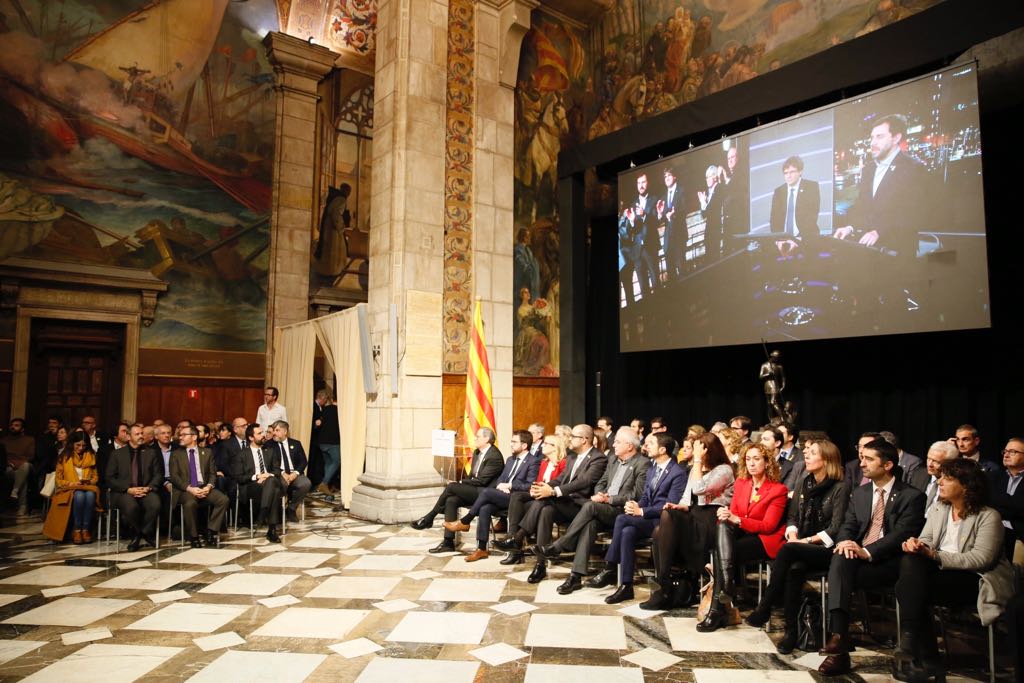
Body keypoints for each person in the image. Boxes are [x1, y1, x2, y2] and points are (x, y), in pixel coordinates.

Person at [894, 458, 1015, 682]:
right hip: (941, 572)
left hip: (977, 579)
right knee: (911, 565)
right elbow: (926, 539)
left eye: (947, 478)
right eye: (940, 477)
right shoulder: (940, 508)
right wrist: (916, 545)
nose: (939, 482)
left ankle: (924, 654)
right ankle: (917, 646)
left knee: (908, 588)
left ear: (966, 485)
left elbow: (981, 559)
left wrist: (934, 555)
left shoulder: (989, 516)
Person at [818, 438, 925, 676]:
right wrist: (846, 541)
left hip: (891, 563)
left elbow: (902, 534)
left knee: (841, 569)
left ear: (887, 465)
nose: (862, 463)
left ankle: (839, 650)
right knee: (840, 556)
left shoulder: (912, 496)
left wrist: (867, 551)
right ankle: (839, 637)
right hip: (858, 557)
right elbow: (849, 524)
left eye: (868, 459)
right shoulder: (861, 492)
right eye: (861, 457)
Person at [745, 440, 851, 653]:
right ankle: (791, 631)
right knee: (794, 569)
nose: (806, 457)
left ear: (827, 459)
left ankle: (766, 606)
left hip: (827, 549)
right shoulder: (804, 481)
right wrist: (793, 533)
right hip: (799, 546)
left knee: (788, 550)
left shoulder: (841, 487)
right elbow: (792, 517)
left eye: (812, 453)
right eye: (807, 453)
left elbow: (836, 527)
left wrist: (805, 541)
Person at [536, 427, 652, 593]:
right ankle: (575, 577)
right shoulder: (612, 459)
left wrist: (609, 499)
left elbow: (637, 495)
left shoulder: (642, 463)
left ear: (629, 446)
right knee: (589, 524)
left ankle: (559, 545)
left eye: (618, 442)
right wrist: (600, 493)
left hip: (621, 510)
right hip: (602, 506)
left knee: (589, 506)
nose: (614, 445)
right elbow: (601, 482)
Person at [698, 442, 789, 631]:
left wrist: (737, 519)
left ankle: (718, 607)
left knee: (721, 551)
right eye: (748, 459)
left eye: (756, 459)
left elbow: (768, 526)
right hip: (741, 532)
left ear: (767, 462)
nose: (751, 463)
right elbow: (734, 512)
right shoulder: (741, 483)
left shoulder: (777, 490)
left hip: (764, 539)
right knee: (722, 525)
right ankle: (726, 588)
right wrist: (727, 515)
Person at [588, 432, 686, 603]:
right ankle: (626, 586)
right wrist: (636, 505)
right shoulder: (654, 467)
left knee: (621, 519)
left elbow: (670, 505)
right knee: (626, 532)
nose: (646, 446)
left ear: (663, 449)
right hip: (647, 517)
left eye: (651, 443)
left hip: (663, 521)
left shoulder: (678, 472)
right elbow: (647, 497)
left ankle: (610, 566)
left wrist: (641, 512)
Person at [640, 432, 735, 610]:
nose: (694, 452)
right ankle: (664, 584)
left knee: (665, 524)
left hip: (713, 518)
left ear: (708, 450)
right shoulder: (695, 469)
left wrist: (697, 460)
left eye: (699, 448)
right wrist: (679, 506)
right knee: (664, 520)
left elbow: (699, 489)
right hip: (694, 514)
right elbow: (686, 498)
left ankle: (662, 585)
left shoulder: (724, 470)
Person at [833, 114, 931, 259]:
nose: (873, 142)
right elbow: (862, 206)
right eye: (872, 138)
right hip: (868, 250)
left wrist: (879, 231)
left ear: (896, 138)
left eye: (879, 137)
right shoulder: (868, 169)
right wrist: (849, 227)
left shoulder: (913, 168)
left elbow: (913, 213)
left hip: (898, 252)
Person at [521, 424, 608, 583]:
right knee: (545, 508)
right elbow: (560, 479)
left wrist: (553, 491)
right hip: (566, 503)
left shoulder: (598, 458)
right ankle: (540, 565)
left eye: (573, 436)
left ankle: (519, 536)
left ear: (583, 440)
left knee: (546, 500)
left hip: (582, 507)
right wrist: (545, 486)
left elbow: (584, 481)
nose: (569, 439)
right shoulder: (572, 456)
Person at [445, 429, 539, 561]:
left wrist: (510, 486)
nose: (511, 444)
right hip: (503, 494)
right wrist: (501, 485)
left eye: (514, 442)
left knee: (486, 491)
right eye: (511, 441)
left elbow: (530, 484)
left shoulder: (533, 461)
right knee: (485, 508)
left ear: (524, 445)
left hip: (518, 498)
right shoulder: (510, 459)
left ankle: (466, 520)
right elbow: (501, 478)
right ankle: (481, 549)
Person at [410, 427, 503, 553]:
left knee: (452, 486)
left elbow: (482, 481)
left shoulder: (494, 456)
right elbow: (471, 477)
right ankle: (448, 542)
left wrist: (460, 483)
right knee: (451, 500)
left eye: (478, 436)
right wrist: (463, 484)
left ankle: (429, 517)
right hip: (475, 490)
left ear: (486, 439)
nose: (475, 438)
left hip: (485, 493)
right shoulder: (477, 453)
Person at [495, 433, 567, 565]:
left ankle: (517, 540)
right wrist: (534, 490)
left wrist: (541, 490)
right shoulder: (544, 463)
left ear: (555, 447)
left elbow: (560, 484)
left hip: (553, 498)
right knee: (517, 496)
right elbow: (537, 482)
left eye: (546, 444)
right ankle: (512, 538)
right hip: (539, 494)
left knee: (539, 506)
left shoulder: (563, 464)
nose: (542, 446)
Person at [170, 426, 229, 548]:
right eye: (180, 435)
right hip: (186, 489)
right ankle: (194, 536)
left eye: (184, 435)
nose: (180, 437)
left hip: (204, 486)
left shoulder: (206, 452)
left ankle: (211, 531)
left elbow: (213, 473)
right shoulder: (176, 454)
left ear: (194, 437)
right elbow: (174, 477)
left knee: (223, 500)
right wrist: (190, 489)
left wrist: (208, 486)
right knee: (190, 503)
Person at [106, 424, 162, 551]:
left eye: (142, 433)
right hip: (124, 492)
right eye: (137, 434)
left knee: (155, 504)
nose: (141, 436)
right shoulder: (117, 454)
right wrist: (128, 489)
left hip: (145, 490)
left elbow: (158, 475)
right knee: (131, 507)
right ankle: (139, 534)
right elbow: (109, 478)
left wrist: (149, 488)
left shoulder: (151, 452)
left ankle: (140, 533)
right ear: (128, 436)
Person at [43, 432, 101, 543]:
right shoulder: (64, 457)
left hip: (86, 487)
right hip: (68, 488)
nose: (81, 448)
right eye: (78, 445)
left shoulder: (91, 456)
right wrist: (70, 484)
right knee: (79, 496)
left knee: (90, 495)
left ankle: (85, 529)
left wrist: (88, 481)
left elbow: (95, 477)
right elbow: (58, 480)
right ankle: (77, 529)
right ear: (72, 444)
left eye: (84, 445)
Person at [235, 423, 283, 543]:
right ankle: (271, 530)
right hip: (252, 486)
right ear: (251, 438)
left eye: (263, 432)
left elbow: (277, 470)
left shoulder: (270, 451)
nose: (264, 435)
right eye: (259, 433)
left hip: (268, 483)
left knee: (272, 482)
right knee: (275, 491)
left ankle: (263, 512)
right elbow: (239, 477)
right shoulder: (242, 454)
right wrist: (257, 476)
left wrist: (267, 475)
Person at [770, 155, 821, 256]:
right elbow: (774, 220)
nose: (788, 176)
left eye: (792, 172)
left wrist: (797, 240)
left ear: (800, 171)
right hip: (783, 241)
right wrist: (778, 240)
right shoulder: (779, 192)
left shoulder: (812, 187)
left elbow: (811, 218)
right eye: (785, 173)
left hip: (805, 240)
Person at [619, 173, 657, 298]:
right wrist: (631, 220)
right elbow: (630, 230)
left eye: (643, 182)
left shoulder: (654, 199)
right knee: (643, 287)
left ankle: (662, 313)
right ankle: (649, 315)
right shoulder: (633, 203)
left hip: (650, 247)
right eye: (639, 183)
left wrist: (644, 214)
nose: (641, 185)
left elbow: (657, 219)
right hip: (637, 251)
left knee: (655, 282)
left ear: (648, 183)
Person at [265, 421, 310, 525]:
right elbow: (268, 464)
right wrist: (282, 473)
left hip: (294, 473)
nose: (274, 433)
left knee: (305, 483)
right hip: (279, 474)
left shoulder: (296, 443)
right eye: (273, 430)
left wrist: (295, 473)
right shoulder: (269, 445)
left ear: (285, 431)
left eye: (277, 430)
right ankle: (277, 512)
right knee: (281, 484)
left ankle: (291, 508)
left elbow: (303, 461)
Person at [988, 438, 1024, 564]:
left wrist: (999, 504)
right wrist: (1015, 506)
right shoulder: (993, 477)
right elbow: (988, 503)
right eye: (1005, 451)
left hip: (1020, 537)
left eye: (1013, 452)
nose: (1006, 455)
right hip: (992, 534)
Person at [907, 440, 959, 514]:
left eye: (936, 461)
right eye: (928, 459)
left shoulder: (955, 483)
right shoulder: (918, 474)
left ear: (950, 463)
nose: (929, 464)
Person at [3, 418, 36, 516]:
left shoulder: (29, 439)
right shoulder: (4, 440)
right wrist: (9, 463)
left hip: (23, 465)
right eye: (12, 425)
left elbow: (30, 456)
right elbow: (3, 456)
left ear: (22, 429)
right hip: (8, 466)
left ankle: (15, 490)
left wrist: (16, 463)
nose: (13, 427)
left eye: (17, 425)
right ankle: (23, 506)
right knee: (22, 478)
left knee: (25, 467)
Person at [656, 166, 684, 279]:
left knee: (682, 271)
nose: (667, 178)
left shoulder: (681, 190)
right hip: (668, 240)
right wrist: (659, 213)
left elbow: (684, 208)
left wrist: (674, 214)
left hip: (679, 235)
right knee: (671, 274)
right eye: (665, 176)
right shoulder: (663, 197)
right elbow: (661, 218)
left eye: (669, 175)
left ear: (675, 176)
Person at [314, 391, 341, 495]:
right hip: (333, 442)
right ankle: (324, 483)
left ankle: (328, 486)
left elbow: (319, 424)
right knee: (336, 462)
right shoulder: (339, 411)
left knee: (328, 463)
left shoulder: (323, 410)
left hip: (322, 442)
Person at [698, 164, 725, 261]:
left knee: (714, 259)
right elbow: (704, 215)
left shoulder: (718, 189)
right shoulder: (710, 192)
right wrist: (702, 202)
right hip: (709, 231)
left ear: (715, 177)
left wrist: (704, 202)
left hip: (715, 230)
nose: (707, 180)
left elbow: (711, 211)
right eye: (706, 177)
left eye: (709, 177)